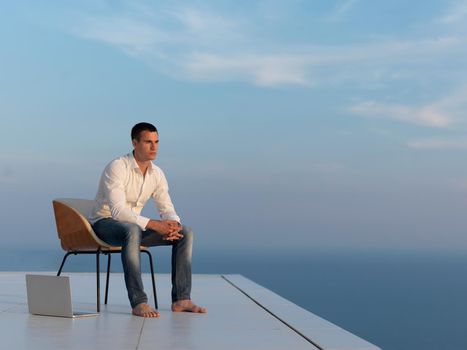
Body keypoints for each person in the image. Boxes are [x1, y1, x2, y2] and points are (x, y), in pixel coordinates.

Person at [88, 122, 207, 317]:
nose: (154, 147)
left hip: (133, 228)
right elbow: (118, 211)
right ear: (134, 143)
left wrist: (173, 224)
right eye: (148, 142)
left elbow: (166, 207)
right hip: (104, 225)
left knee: (185, 233)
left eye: (157, 142)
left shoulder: (157, 173)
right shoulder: (117, 167)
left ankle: (181, 299)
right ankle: (139, 302)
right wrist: (154, 225)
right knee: (132, 230)